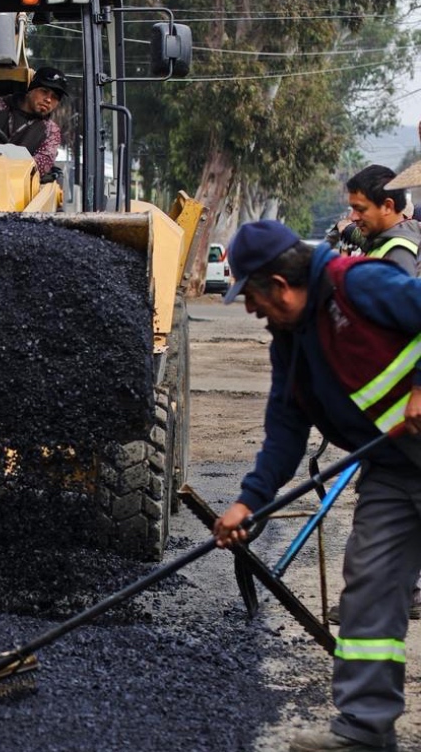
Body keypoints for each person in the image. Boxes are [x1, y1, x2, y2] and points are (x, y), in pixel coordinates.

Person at [213, 220, 421, 752]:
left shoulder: (359, 285)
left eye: (253, 297)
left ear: (281, 286)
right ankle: (363, 732)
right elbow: (285, 431)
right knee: (369, 587)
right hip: (396, 470)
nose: (251, 311)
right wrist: (247, 502)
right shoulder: (291, 340)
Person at [324, 165, 421, 625]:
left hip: (409, 410)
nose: (352, 215)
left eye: (360, 208)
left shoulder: (400, 251)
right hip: (391, 415)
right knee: (389, 498)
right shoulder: (389, 242)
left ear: (390, 207)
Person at [325, 165, 421, 272]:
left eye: (360, 209)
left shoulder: (399, 253)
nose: (353, 217)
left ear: (388, 207)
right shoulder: (379, 243)